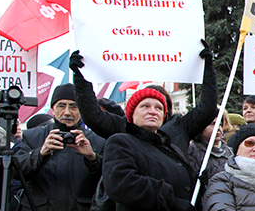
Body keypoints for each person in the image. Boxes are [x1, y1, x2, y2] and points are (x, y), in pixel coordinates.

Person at [70, 45, 217, 160]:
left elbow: (207, 108)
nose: (152, 111)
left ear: (167, 110)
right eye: (145, 105)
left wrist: (207, 71)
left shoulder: (181, 127)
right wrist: (82, 76)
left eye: (159, 106)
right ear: (133, 110)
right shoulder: (123, 127)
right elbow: (92, 115)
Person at [187, 112, 233, 182]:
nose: (218, 128)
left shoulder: (230, 152)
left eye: (220, 124)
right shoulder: (192, 152)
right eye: (212, 124)